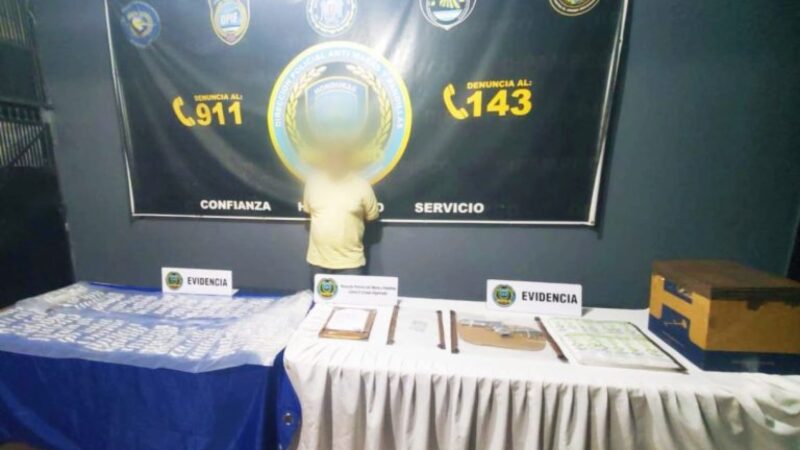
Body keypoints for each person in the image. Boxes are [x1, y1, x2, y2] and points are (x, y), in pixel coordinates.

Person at [302, 140, 380, 286]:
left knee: (351, 302)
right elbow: (308, 211)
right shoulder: (312, 183)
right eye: (331, 156)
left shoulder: (362, 185)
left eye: (340, 156)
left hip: (350, 264)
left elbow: (372, 217)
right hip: (318, 262)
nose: (335, 160)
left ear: (347, 159)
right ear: (326, 159)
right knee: (317, 301)